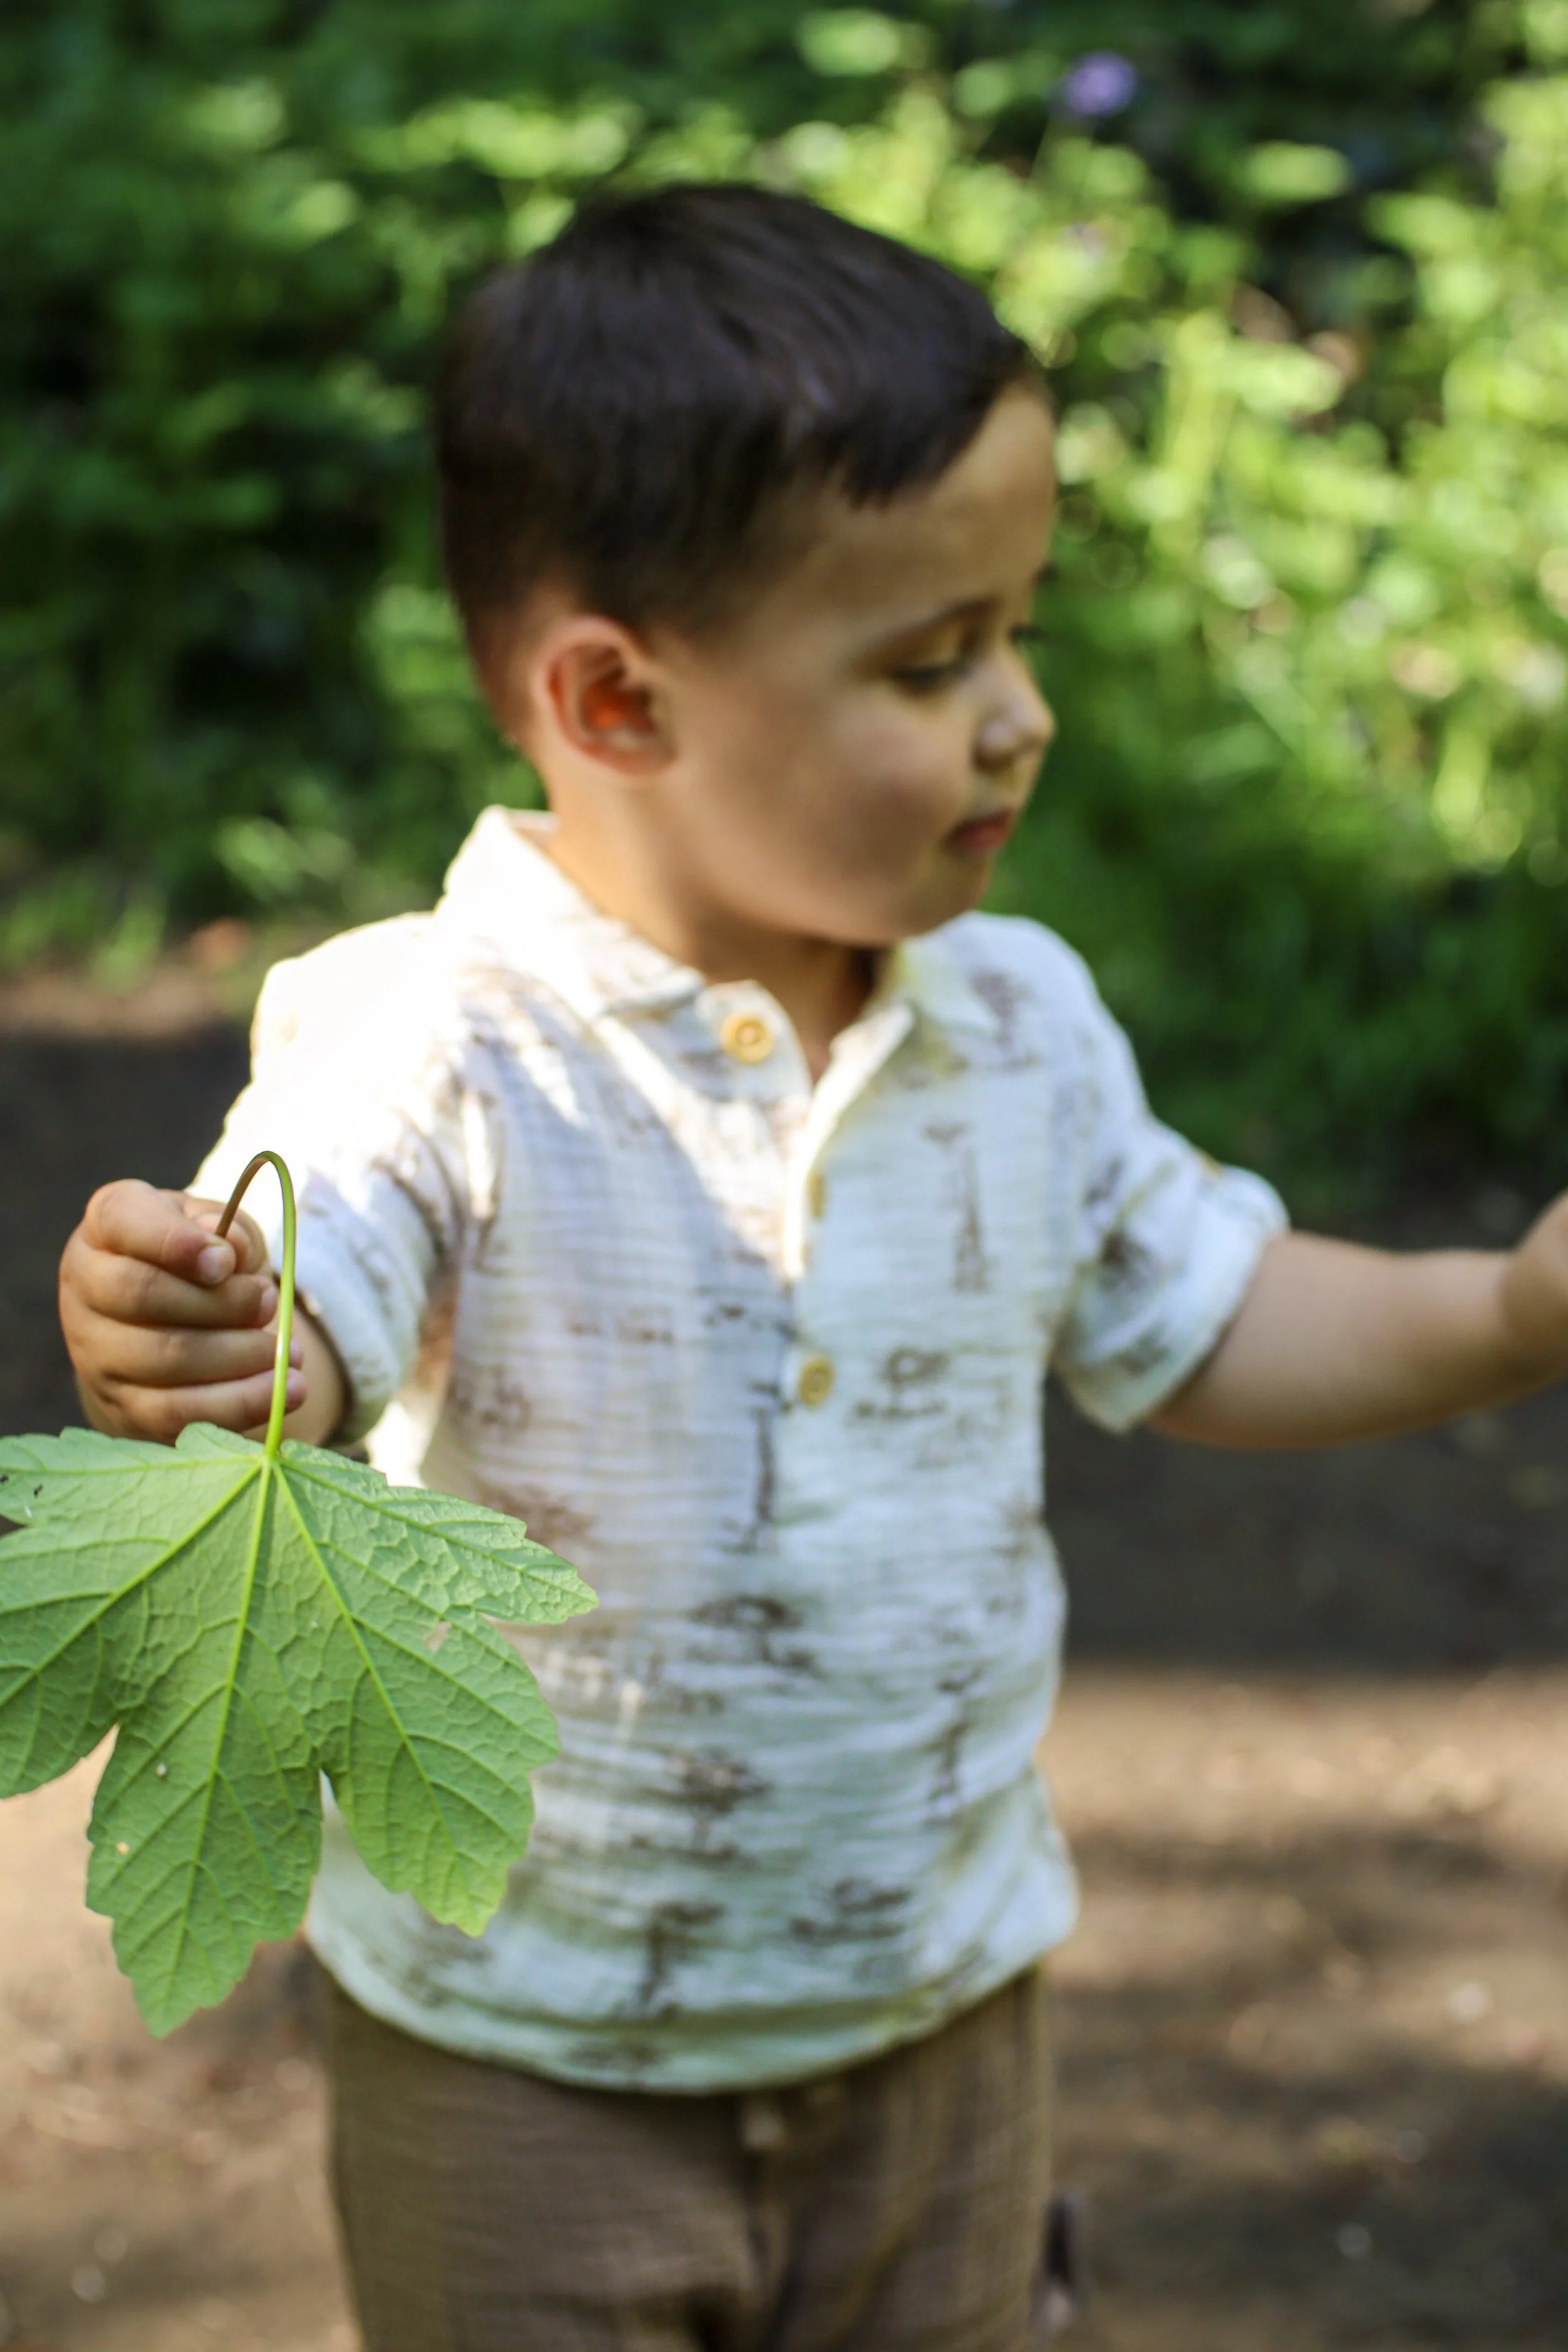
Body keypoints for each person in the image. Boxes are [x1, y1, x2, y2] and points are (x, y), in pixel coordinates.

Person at [56, 185, 1568, 2351]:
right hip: (520, 2047)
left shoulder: (1017, 1020)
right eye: (927, 660)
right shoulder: (436, 1032)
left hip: (933, 2014)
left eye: (1017, 628)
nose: (1018, 713)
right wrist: (209, 1334)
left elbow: (1207, 1306)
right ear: (615, 697)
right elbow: (301, 1313)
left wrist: (1512, 1304)